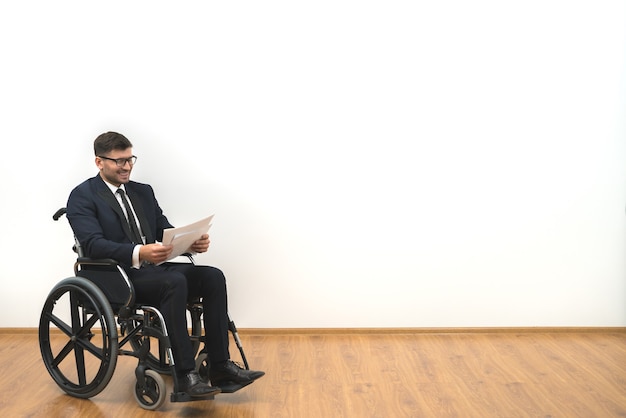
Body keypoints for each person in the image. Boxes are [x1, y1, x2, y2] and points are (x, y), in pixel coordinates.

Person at [66, 131, 264, 398]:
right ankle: (185, 378)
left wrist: (189, 242)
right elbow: (93, 245)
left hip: (151, 270)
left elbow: (162, 229)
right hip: (114, 276)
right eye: (119, 161)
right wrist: (139, 252)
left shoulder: (142, 192)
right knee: (174, 281)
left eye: (130, 159)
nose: (126, 167)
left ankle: (220, 367)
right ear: (99, 162)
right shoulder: (82, 196)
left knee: (213, 277)